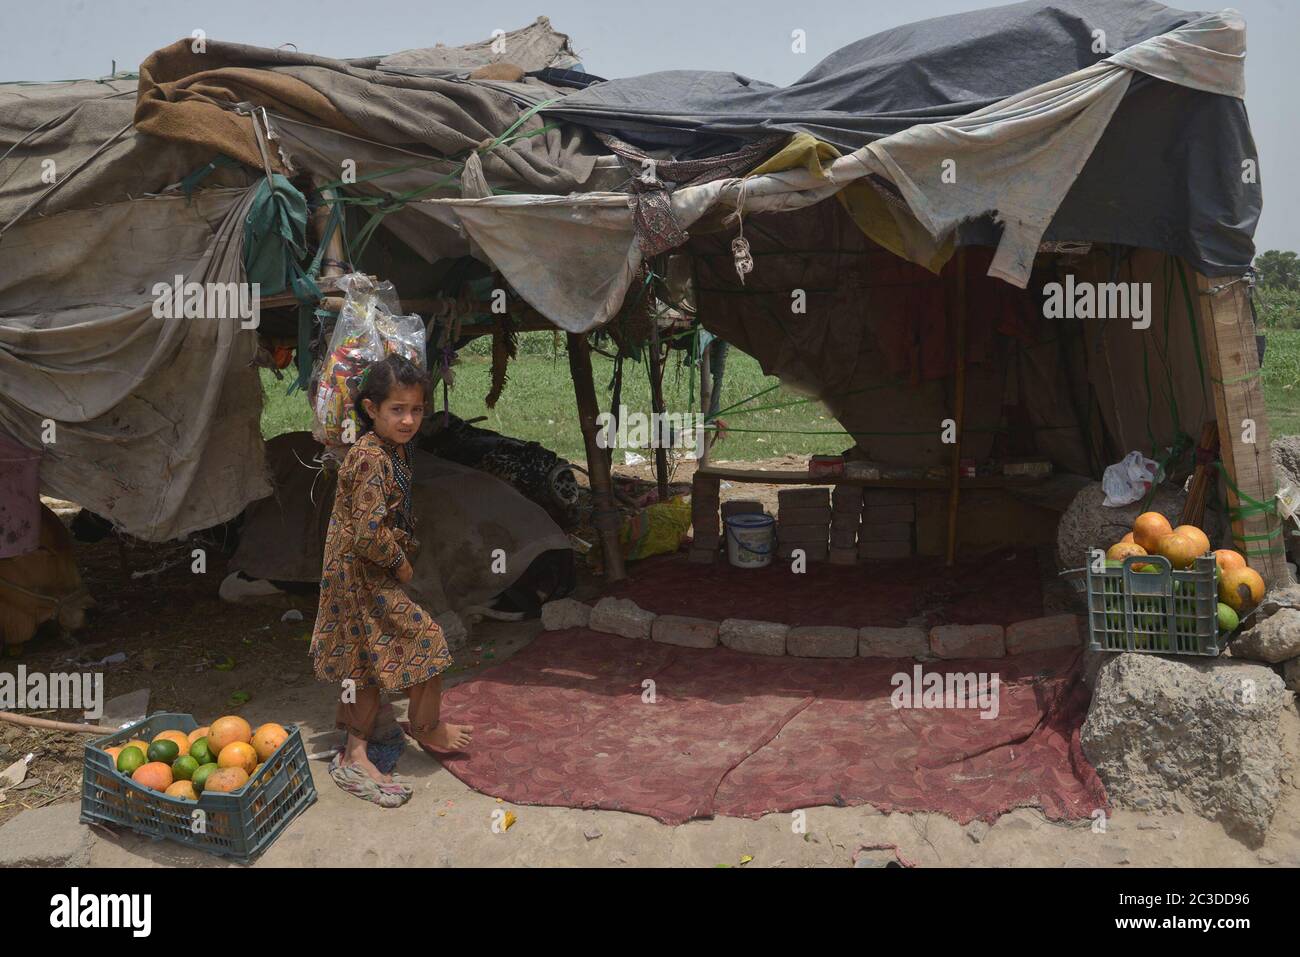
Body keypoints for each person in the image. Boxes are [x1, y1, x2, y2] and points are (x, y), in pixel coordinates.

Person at [309, 353, 473, 802]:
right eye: (397, 410)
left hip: (359, 572)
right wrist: (400, 562)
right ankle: (427, 727)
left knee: (360, 660)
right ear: (371, 410)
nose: (408, 419)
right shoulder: (369, 459)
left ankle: (356, 749)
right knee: (427, 640)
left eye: (416, 410)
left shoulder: (392, 450)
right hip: (359, 573)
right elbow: (366, 532)